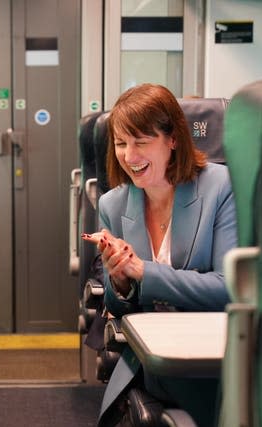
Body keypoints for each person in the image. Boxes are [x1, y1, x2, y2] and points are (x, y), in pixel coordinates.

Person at [82, 83, 237, 427]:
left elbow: (228, 289)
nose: (129, 156)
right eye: (121, 144)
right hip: (152, 359)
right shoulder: (113, 203)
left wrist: (144, 271)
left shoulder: (219, 187)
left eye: (141, 142)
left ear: (173, 139)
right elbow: (121, 309)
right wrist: (120, 281)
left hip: (214, 354)